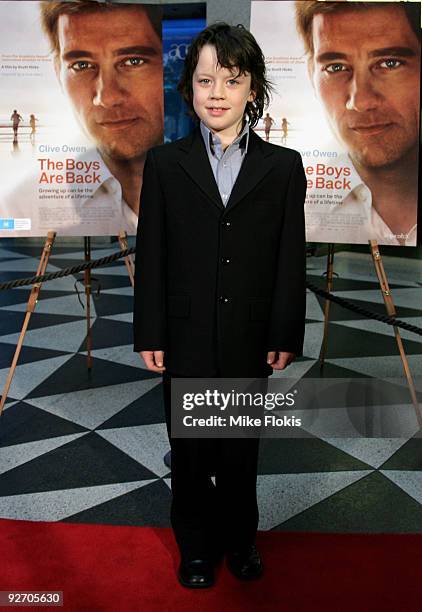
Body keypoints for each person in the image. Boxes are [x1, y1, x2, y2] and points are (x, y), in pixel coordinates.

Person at [133, 23, 307, 588]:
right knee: (189, 449)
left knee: (238, 449)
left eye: (231, 81)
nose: (217, 93)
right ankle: (196, 548)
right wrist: (150, 332)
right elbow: (152, 254)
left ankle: (241, 539)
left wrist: (285, 331)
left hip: (249, 333)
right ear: (189, 89)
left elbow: (288, 258)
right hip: (184, 333)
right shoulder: (164, 165)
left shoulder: (282, 168)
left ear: (252, 89)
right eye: (205, 80)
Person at [295, 1, 420, 246]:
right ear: (312, 74)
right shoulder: (296, 208)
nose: (360, 101)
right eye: (336, 67)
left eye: (389, 63)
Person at [37, 0, 164, 234]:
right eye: (82, 65)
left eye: (133, 61)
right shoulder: (21, 205)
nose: (106, 97)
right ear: (58, 72)